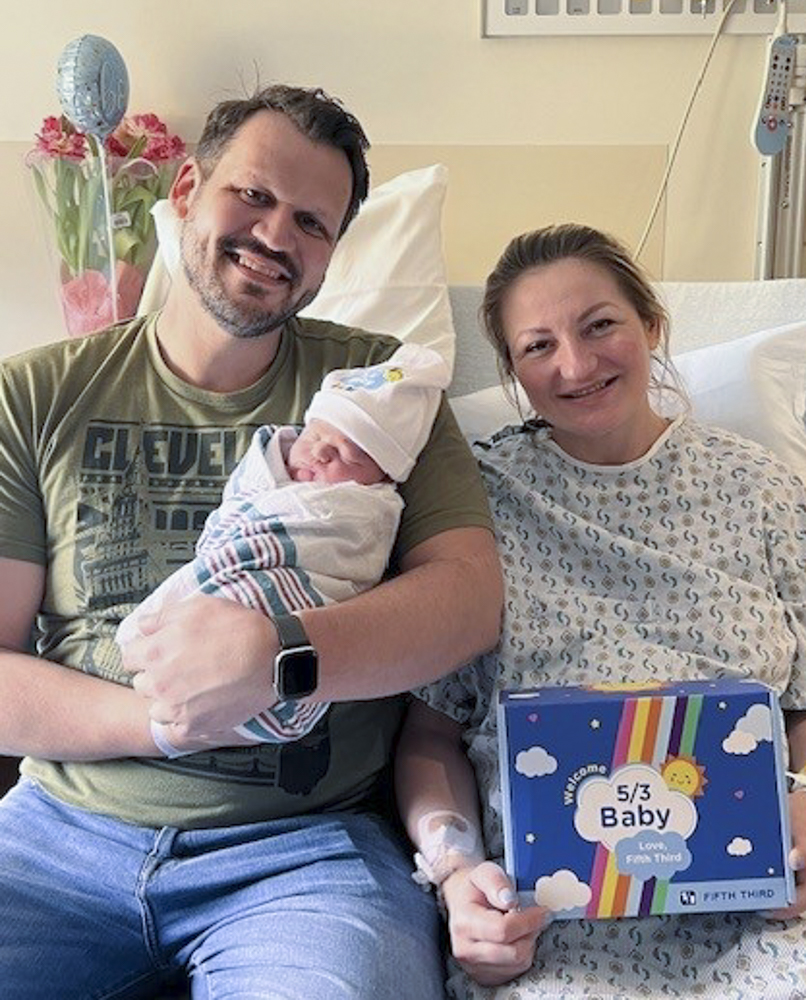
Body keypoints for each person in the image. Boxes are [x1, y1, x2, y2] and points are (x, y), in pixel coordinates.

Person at [0, 85, 503, 999]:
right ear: (187, 189)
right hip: (58, 839)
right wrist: (163, 722)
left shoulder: (379, 387)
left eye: (312, 223)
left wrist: (280, 658)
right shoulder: (36, 395)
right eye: (254, 196)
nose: (276, 236)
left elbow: (468, 598)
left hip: (306, 853)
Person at [395, 223, 806, 998]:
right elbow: (430, 733)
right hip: (554, 917)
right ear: (513, 371)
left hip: (756, 899)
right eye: (538, 347)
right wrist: (455, 872)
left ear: (652, 325)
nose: (576, 365)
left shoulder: (762, 492)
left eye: (599, 325)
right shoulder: (477, 508)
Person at [116, 342, 451, 754]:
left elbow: (345, 559)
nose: (321, 452)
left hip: (293, 597)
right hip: (234, 566)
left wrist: (268, 650)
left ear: (382, 479)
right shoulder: (269, 467)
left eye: (350, 454)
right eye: (316, 435)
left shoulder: (365, 510)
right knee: (167, 631)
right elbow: (234, 521)